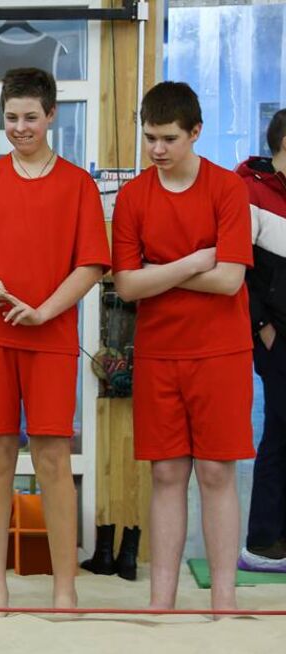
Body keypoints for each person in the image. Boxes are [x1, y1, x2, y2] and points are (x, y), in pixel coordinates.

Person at [0, 68, 110, 610]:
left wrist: (43, 312)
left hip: (51, 334)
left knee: (53, 457)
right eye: (12, 118)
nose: (20, 128)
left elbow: (91, 265)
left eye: (31, 118)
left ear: (52, 116)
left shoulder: (78, 185)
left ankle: (65, 589)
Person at [111, 82, 254, 610]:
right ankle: (161, 603)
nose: (157, 149)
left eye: (169, 138)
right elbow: (126, 286)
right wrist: (196, 261)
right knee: (167, 473)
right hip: (159, 353)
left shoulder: (227, 189)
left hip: (221, 352)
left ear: (196, 132)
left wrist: (158, 272)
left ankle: (224, 602)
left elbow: (231, 281)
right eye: (149, 137)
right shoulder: (133, 196)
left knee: (217, 472)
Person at [237, 108, 286, 572]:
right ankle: (262, 543)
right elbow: (241, 269)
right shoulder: (251, 191)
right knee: (279, 433)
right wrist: (260, 329)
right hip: (276, 338)